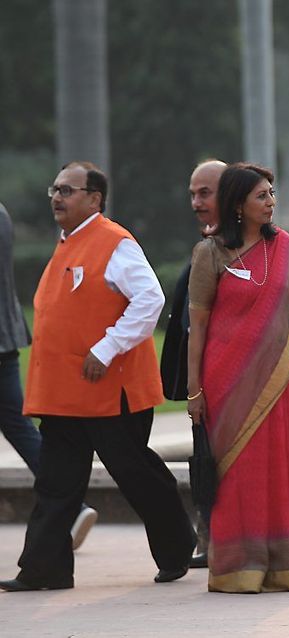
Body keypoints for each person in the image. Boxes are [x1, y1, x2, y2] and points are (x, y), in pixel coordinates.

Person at [0, 162, 195, 592]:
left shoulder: (114, 242)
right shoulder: (67, 244)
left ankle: (179, 547)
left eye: (68, 190)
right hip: (65, 397)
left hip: (111, 393)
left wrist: (106, 348)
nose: (57, 197)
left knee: (135, 475)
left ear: (94, 199)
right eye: (55, 189)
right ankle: (43, 569)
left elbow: (149, 300)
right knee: (55, 484)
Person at [186, 162, 289, 593]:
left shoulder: (285, 245)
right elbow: (198, 329)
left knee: (288, 468)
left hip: (285, 379)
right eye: (261, 196)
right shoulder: (209, 254)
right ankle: (241, 567)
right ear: (237, 204)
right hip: (227, 382)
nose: (271, 202)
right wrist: (194, 390)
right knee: (240, 475)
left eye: (272, 194)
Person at [0, 203, 99, 552]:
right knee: (17, 425)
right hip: (6, 337)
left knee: (17, 425)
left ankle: (67, 507)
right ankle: (70, 507)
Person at [160, 159, 226, 569]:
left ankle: (227, 541)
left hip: (234, 374)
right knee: (204, 458)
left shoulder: (252, 247)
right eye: (192, 194)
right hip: (205, 377)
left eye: (205, 193)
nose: (196, 202)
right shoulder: (207, 245)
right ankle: (211, 540)